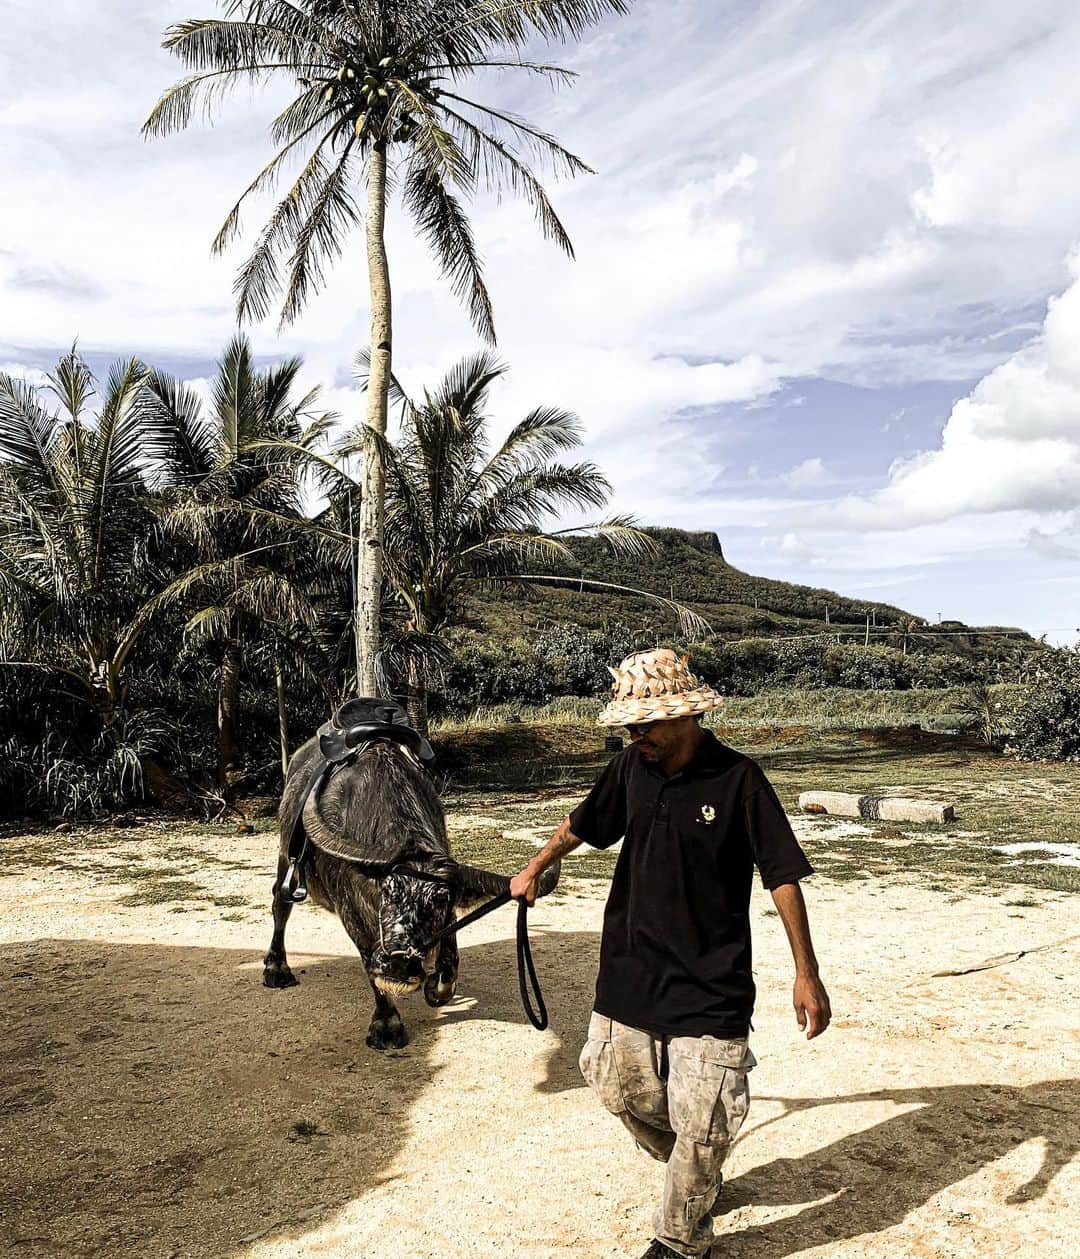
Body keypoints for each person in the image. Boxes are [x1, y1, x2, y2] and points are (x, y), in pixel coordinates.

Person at [510, 649, 831, 1259]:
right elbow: (584, 823)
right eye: (629, 727)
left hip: (711, 984)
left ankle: (682, 1236)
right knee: (610, 1081)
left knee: (706, 1114)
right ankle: (697, 1174)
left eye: (646, 725)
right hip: (631, 968)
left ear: (685, 717)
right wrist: (536, 865)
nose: (635, 737)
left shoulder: (739, 779)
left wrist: (806, 973)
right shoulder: (632, 766)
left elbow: (783, 875)